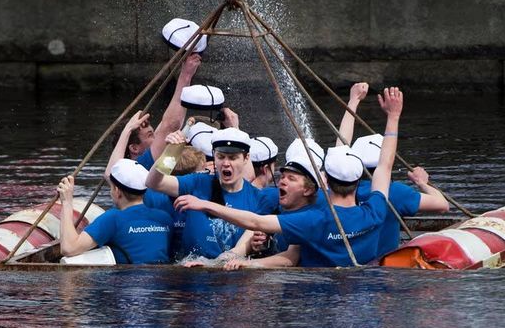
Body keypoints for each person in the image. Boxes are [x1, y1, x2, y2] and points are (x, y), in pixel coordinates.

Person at [174, 87, 404, 268]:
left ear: (321, 182)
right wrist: (393, 117)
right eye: (283, 175)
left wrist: (204, 204)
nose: (283, 180)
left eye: (292, 178)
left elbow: (257, 223)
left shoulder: (315, 219)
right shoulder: (374, 209)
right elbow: (385, 166)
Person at [146, 127, 272, 259]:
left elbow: (240, 250)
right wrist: (170, 153)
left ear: (246, 159)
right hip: (190, 273)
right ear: (214, 157)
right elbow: (154, 183)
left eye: (233, 158)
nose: (226, 163)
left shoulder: (259, 199)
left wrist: (212, 265)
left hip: (232, 274)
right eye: (220, 157)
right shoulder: (198, 182)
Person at [57, 159, 173, 264]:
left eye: (111, 187)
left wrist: (67, 202)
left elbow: (69, 248)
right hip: (161, 283)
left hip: (127, 284)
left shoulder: (113, 218)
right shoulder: (164, 218)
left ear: (117, 191)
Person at [351, 133, 449, 256]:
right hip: (385, 266)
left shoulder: (339, 193)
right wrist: (422, 183)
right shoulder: (396, 192)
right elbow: (443, 205)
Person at [120, 53, 202, 170]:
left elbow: (164, 128)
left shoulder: (120, 168)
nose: (158, 138)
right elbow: (170, 125)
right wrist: (186, 74)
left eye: (153, 134)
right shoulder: (140, 165)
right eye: (150, 136)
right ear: (134, 148)